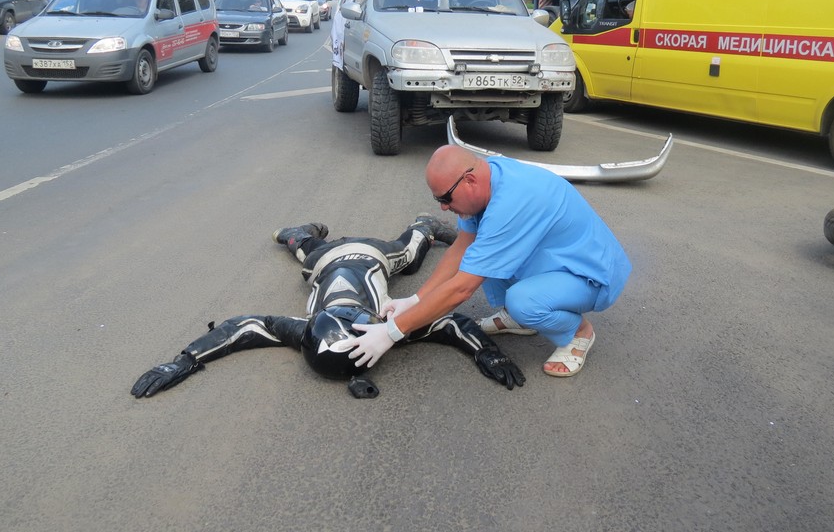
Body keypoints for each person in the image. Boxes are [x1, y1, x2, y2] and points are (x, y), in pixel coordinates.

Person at [131, 216, 525, 400]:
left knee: (310, 255)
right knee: (410, 254)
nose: (354, 315)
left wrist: (184, 360)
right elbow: (452, 323)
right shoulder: (381, 332)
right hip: (373, 255)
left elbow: (241, 327)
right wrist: (486, 353)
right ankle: (421, 224)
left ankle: (297, 235)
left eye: (343, 318)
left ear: (315, 324)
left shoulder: (306, 330)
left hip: (325, 260)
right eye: (357, 320)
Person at [346, 146, 632, 378]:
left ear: (468, 180)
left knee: (523, 301)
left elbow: (462, 289)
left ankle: (578, 333)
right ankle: (521, 318)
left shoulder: (510, 204)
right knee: (481, 254)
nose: (443, 207)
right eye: (438, 200)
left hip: (591, 274)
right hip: (557, 258)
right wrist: (415, 300)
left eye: (445, 198)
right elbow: (461, 248)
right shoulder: (487, 179)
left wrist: (391, 332)